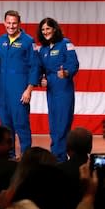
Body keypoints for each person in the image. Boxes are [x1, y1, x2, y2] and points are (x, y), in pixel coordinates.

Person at [0, 10, 39, 157]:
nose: (11, 26)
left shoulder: (28, 41)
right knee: (5, 127)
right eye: (8, 23)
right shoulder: (1, 41)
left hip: (19, 90)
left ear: (19, 23)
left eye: (14, 23)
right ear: (4, 23)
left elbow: (34, 66)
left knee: (22, 125)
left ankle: (26, 157)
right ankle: (9, 156)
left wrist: (29, 90)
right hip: (3, 91)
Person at [37, 17, 79, 162]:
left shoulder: (65, 44)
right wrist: (41, 79)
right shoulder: (42, 49)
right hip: (51, 90)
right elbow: (40, 69)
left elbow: (74, 64)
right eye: (43, 29)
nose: (45, 32)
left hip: (63, 88)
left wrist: (66, 73)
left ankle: (59, 157)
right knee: (54, 125)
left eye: (48, 28)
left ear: (54, 29)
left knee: (62, 123)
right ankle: (56, 153)